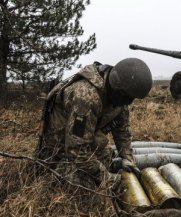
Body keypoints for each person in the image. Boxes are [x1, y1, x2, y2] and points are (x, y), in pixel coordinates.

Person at [37, 58, 153, 188]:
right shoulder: (86, 96)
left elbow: (122, 131)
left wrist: (127, 158)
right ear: (117, 88)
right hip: (59, 152)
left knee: (107, 157)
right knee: (84, 184)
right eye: (127, 98)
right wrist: (107, 178)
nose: (129, 103)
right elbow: (77, 151)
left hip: (82, 144)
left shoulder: (119, 96)